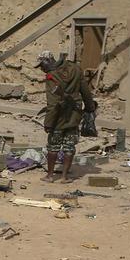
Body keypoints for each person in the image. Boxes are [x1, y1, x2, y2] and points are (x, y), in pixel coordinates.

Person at [38, 50, 94, 183]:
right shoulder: (75, 68)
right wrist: (90, 108)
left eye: (41, 65)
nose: (41, 69)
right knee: (69, 146)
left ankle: (50, 176)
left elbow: (53, 103)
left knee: (53, 145)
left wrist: (48, 123)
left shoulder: (51, 76)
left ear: (47, 62)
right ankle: (64, 177)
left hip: (58, 115)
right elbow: (85, 91)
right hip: (74, 113)